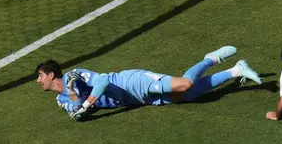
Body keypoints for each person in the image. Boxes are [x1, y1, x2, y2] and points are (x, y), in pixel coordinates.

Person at [36, 46, 262, 120]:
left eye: (40, 76)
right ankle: (235, 71)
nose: (38, 81)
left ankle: (211, 59)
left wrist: (86, 103)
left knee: (184, 85)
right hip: (133, 99)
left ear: (52, 74)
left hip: (130, 82)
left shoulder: (74, 74)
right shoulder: (61, 98)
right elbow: (78, 113)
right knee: (187, 96)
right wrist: (78, 102)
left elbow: (103, 80)